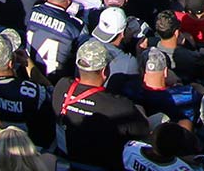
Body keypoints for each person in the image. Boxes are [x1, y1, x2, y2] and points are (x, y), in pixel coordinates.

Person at [57, 40, 151, 169]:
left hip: (66, 161)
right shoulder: (121, 106)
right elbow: (144, 129)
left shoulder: (61, 86)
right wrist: (139, 108)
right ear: (104, 72)